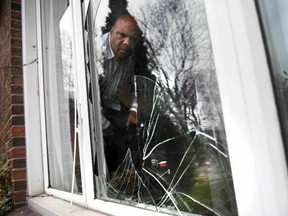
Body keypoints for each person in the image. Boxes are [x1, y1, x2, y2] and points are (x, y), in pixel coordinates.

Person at [96, 15, 141, 172]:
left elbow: (132, 89)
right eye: (122, 35)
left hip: (112, 108)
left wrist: (133, 110)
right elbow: (84, 98)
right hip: (92, 113)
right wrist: (104, 126)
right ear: (111, 32)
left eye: (132, 38)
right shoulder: (94, 51)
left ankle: (126, 179)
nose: (127, 43)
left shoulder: (128, 59)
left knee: (132, 139)